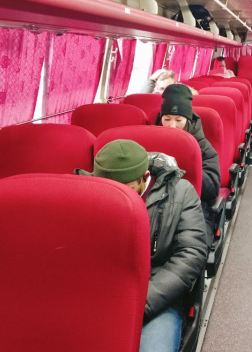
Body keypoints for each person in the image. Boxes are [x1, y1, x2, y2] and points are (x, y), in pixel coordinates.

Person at [75, 139, 207, 352]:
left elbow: (191, 253)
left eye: (124, 189)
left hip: (156, 296)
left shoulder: (181, 193)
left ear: (145, 177)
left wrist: (141, 302)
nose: (115, 196)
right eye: (109, 189)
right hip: (102, 293)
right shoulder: (86, 192)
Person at [154, 84, 220, 242]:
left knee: (189, 243)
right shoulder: (150, 139)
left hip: (193, 206)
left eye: (179, 120)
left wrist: (186, 167)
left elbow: (212, 188)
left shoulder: (202, 146)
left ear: (188, 120)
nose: (172, 126)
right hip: (156, 206)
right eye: (166, 119)